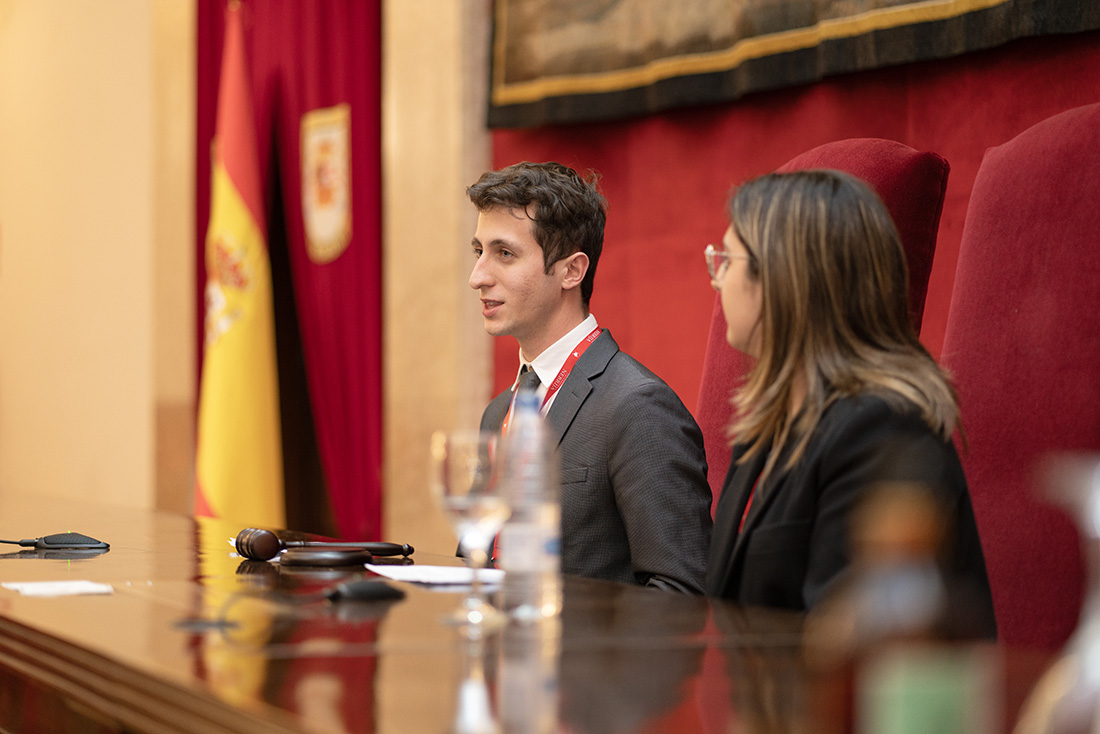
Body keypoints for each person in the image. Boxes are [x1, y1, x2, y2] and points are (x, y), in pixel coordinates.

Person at [703, 169, 996, 636]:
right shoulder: (771, 419)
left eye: (727, 260)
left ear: (784, 278)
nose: (717, 280)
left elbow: (854, 652)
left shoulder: (880, 429)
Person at [467, 161, 712, 593]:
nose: (478, 276)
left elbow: (682, 596)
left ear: (571, 271)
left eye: (504, 254)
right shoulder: (497, 414)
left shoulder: (638, 408)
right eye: (479, 251)